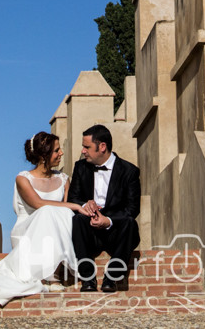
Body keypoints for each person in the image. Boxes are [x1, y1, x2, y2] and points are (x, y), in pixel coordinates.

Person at [0, 132, 86, 306]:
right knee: (47, 212)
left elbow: (65, 214)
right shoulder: (23, 178)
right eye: (56, 151)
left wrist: (71, 208)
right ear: (44, 155)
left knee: (60, 214)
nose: (61, 154)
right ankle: (51, 277)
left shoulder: (64, 179)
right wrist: (75, 205)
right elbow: (38, 204)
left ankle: (53, 272)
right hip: (27, 228)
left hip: (53, 229)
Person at [67, 124, 141, 293]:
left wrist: (108, 221)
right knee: (77, 220)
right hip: (89, 231)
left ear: (102, 147)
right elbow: (73, 198)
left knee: (130, 223)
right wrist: (86, 205)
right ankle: (87, 278)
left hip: (115, 232)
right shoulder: (80, 167)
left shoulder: (129, 171)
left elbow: (132, 208)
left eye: (87, 147)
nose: (83, 151)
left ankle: (112, 277)